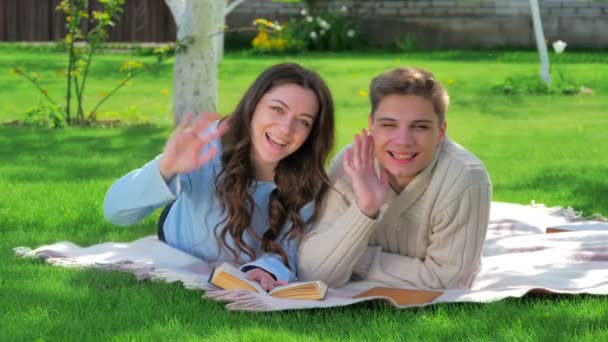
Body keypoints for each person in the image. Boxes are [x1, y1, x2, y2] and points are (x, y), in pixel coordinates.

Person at [104, 63, 335, 291]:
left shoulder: (308, 179)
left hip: (236, 259)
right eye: (277, 109)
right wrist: (166, 168)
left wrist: (266, 269)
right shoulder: (206, 143)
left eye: (303, 121)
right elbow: (115, 211)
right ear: (253, 106)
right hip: (182, 234)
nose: (286, 128)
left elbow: (291, 247)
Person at [298, 67, 492, 289]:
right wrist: (365, 208)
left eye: (420, 126)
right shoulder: (352, 164)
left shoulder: (466, 179)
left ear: (441, 132)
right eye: (389, 125)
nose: (403, 141)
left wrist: (353, 258)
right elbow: (313, 271)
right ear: (372, 125)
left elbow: (451, 281)